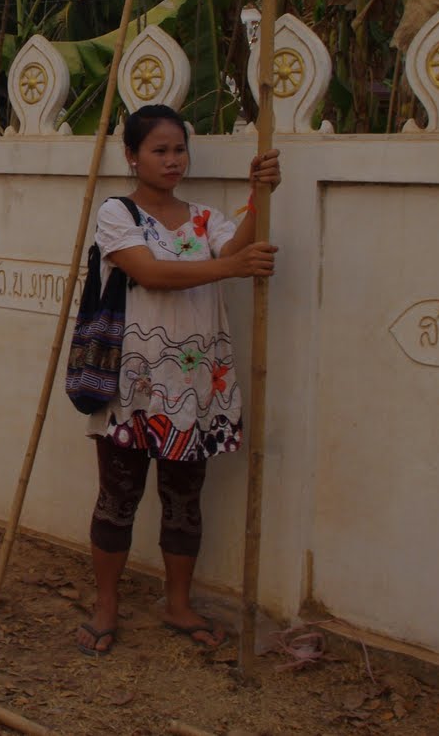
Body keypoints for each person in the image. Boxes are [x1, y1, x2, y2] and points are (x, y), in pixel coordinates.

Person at [75, 103, 280, 657]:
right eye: (159, 150)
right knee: (118, 498)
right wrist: (232, 269)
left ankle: (179, 603)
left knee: (185, 501)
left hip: (197, 390)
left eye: (178, 149)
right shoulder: (117, 215)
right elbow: (153, 274)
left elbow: (234, 247)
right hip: (133, 386)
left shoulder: (206, 219)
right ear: (132, 156)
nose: (172, 160)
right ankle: (107, 604)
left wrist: (261, 196)